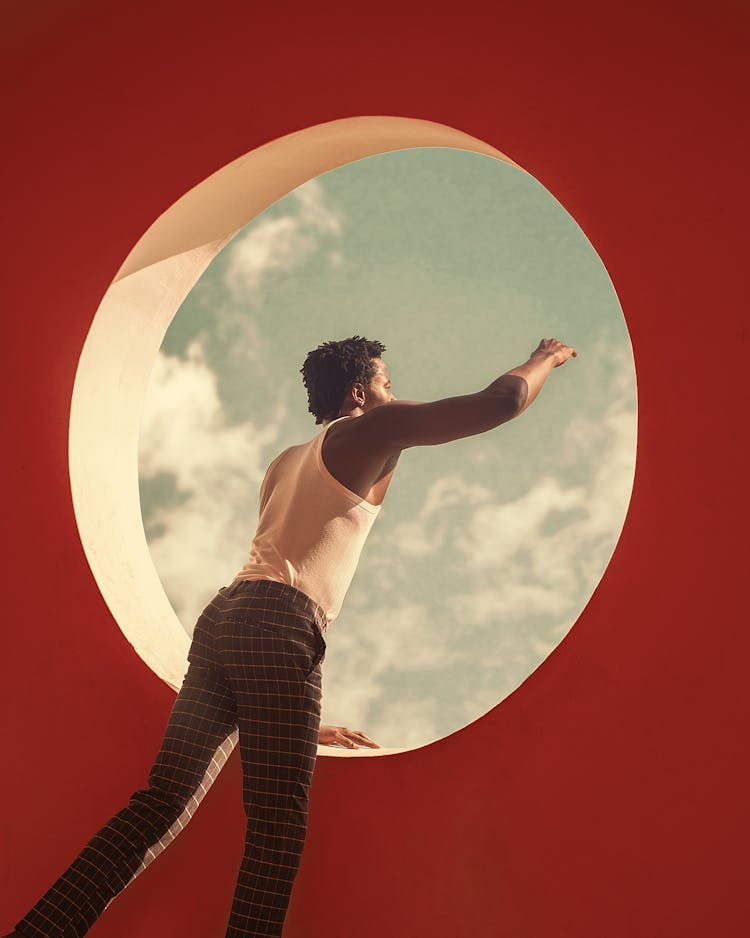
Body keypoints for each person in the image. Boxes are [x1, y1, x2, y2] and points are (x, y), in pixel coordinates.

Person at [5, 334, 576, 938]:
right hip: (281, 622)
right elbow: (501, 403)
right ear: (360, 392)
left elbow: (279, 568)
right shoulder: (368, 431)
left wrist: (290, 719)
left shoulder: (286, 460)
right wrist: (545, 359)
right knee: (276, 828)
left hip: (226, 617)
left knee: (158, 805)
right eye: (386, 382)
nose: (394, 393)